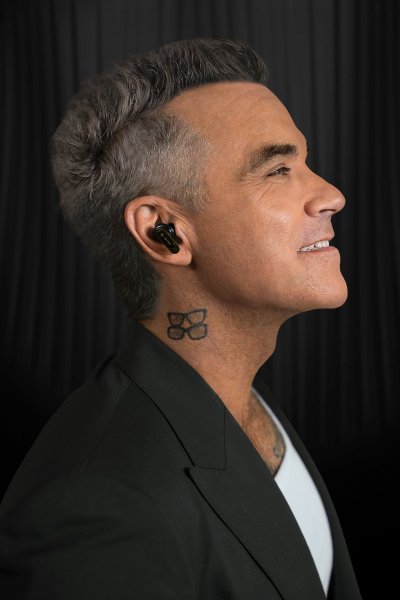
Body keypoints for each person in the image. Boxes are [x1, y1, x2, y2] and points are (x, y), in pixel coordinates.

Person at [0, 38, 361, 599]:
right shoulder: (97, 510)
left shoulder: (242, 399)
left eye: (306, 163)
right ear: (163, 232)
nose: (331, 195)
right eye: (277, 170)